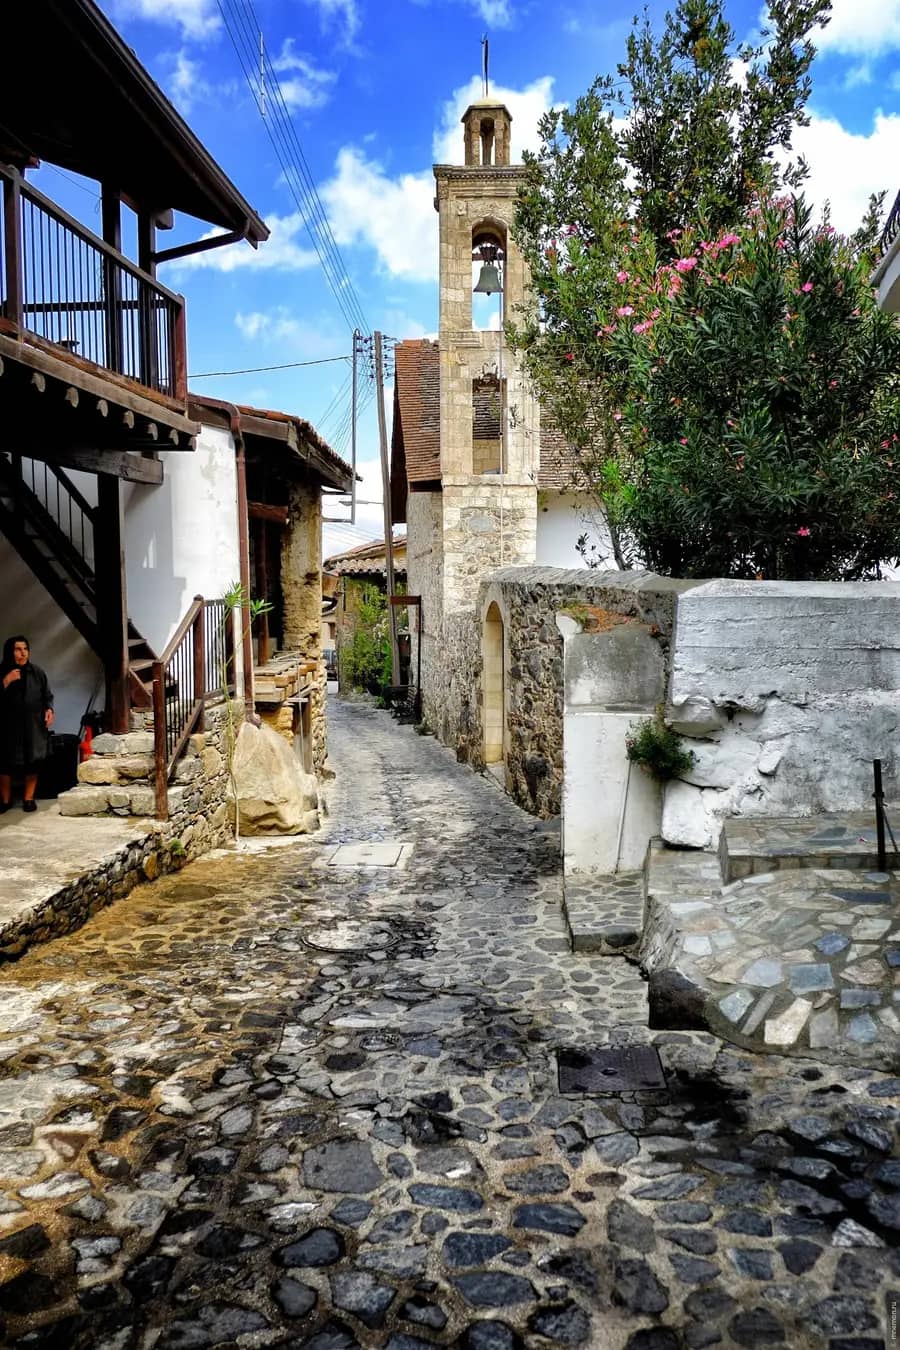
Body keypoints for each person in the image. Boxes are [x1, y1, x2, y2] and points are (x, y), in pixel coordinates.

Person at [0, 636, 54, 813]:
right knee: (5, 763)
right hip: (7, 726)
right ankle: (5, 800)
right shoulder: (2, 671)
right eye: (18, 649)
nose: (23, 653)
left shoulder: (37, 672)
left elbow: (47, 696)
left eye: (25, 649)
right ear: (10, 652)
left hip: (33, 725)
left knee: (32, 762)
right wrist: (6, 681)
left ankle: (28, 799)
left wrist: (49, 709)